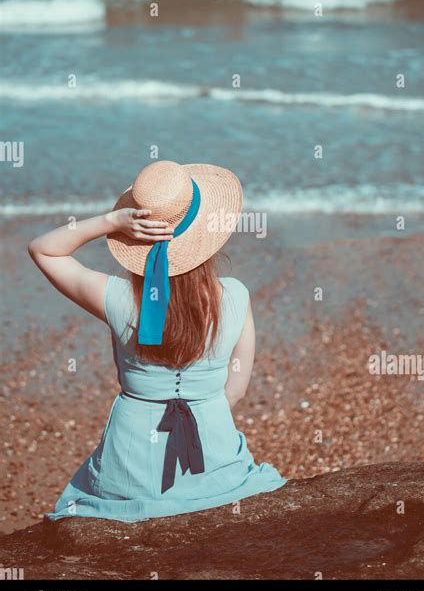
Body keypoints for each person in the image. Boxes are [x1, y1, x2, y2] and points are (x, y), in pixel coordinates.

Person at [28, 160, 287, 522]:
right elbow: (236, 391)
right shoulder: (236, 295)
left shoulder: (117, 297)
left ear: (137, 236)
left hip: (129, 468)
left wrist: (110, 222)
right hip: (217, 462)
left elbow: (44, 249)